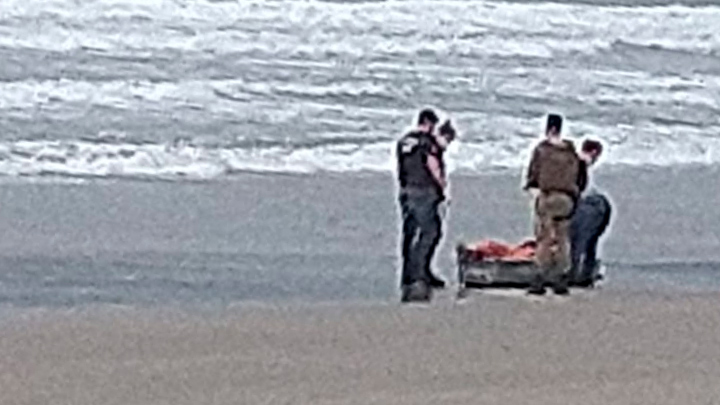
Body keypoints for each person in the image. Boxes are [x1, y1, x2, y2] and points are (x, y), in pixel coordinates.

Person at [396, 109, 455, 303]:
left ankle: (408, 275)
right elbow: (432, 165)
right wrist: (443, 187)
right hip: (424, 191)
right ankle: (420, 275)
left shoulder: (404, 141)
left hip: (406, 191)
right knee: (430, 232)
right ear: (429, 123)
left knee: (409, 234)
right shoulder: (427, 142)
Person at [523, 114, 585, 296]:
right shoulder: (571, 152)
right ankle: (561, 279)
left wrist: (531, 186)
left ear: (549, 128)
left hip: (548, 197)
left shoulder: (542, 150)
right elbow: (580, 178)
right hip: (567, 199)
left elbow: (533, 175)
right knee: (563, 239)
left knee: (544, 238)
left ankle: (539, 279)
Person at [569, 139, 612, 287]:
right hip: (587, 207)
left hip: (583, 205)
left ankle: (579, 273)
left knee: (580, 242)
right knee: (586, 242)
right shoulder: (583, 164)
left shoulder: (574, 162)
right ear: (594, 153)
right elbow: (581, 189)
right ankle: (581, 274)